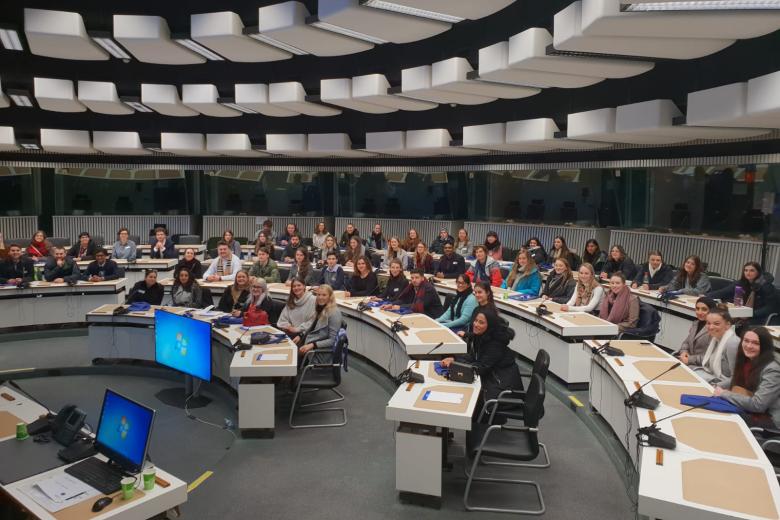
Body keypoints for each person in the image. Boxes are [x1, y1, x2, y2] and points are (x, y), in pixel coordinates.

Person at [440, 310, 522, 403]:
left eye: (481, 322)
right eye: (476, 320)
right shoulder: (482, 335)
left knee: (463, 393)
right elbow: (474, 357)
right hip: (491, 377)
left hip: (502, 389)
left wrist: (454, 364)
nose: (476, 324)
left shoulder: (495, 344)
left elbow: (480, 368)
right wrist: (454, 359)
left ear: (490, 325)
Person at [714, 327, 780, 427]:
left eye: (755, 343)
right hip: (750, 408)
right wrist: (715, 385)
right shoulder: (748, 359)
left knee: (719, 414)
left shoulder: (772, 369)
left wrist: (724, 394)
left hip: (769, 418)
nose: (749, 346)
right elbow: (738, 379)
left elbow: (758, 405)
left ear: (764, 346)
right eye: (746, 341)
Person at [682, 306, 739, 384]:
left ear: (728, 325)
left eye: (716, 324)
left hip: (720, 386)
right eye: (708, 323)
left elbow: (737, 378)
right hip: (711, 379)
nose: (711, 327)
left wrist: (717, 387)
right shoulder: (715, 338)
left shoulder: (732, 343)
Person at [708, 261, 777, 325]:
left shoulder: (766, 287)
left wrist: (751, 314)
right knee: (719, 318)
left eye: (752, 270)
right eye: (745, 270)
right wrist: (705, 296)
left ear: (758, 272)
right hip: (742, 313)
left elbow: (771, 307)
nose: (748, 273)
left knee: (727, 323)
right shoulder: (741, 283)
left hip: (759, 317)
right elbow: (724, 292)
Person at [297, 284, 343, 358]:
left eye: (324, 295)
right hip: (309, 342)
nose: (320, 297)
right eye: (318, 295)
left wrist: (313, 345)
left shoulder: (334, 313)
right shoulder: (320, 308)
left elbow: (333, 340)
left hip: (318, 351)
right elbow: (311, 327)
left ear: (330, 297)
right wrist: (301, 335)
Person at [677, 297, 717, 364]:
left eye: (704, 309)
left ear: (711, 311)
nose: (699, 312)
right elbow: (686, 343)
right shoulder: (695, 323)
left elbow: (711, 357)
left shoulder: (715, 329)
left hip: (702, 366)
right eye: (697, 309)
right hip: (688, 361)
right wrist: (684, 352)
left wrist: (690, 359)